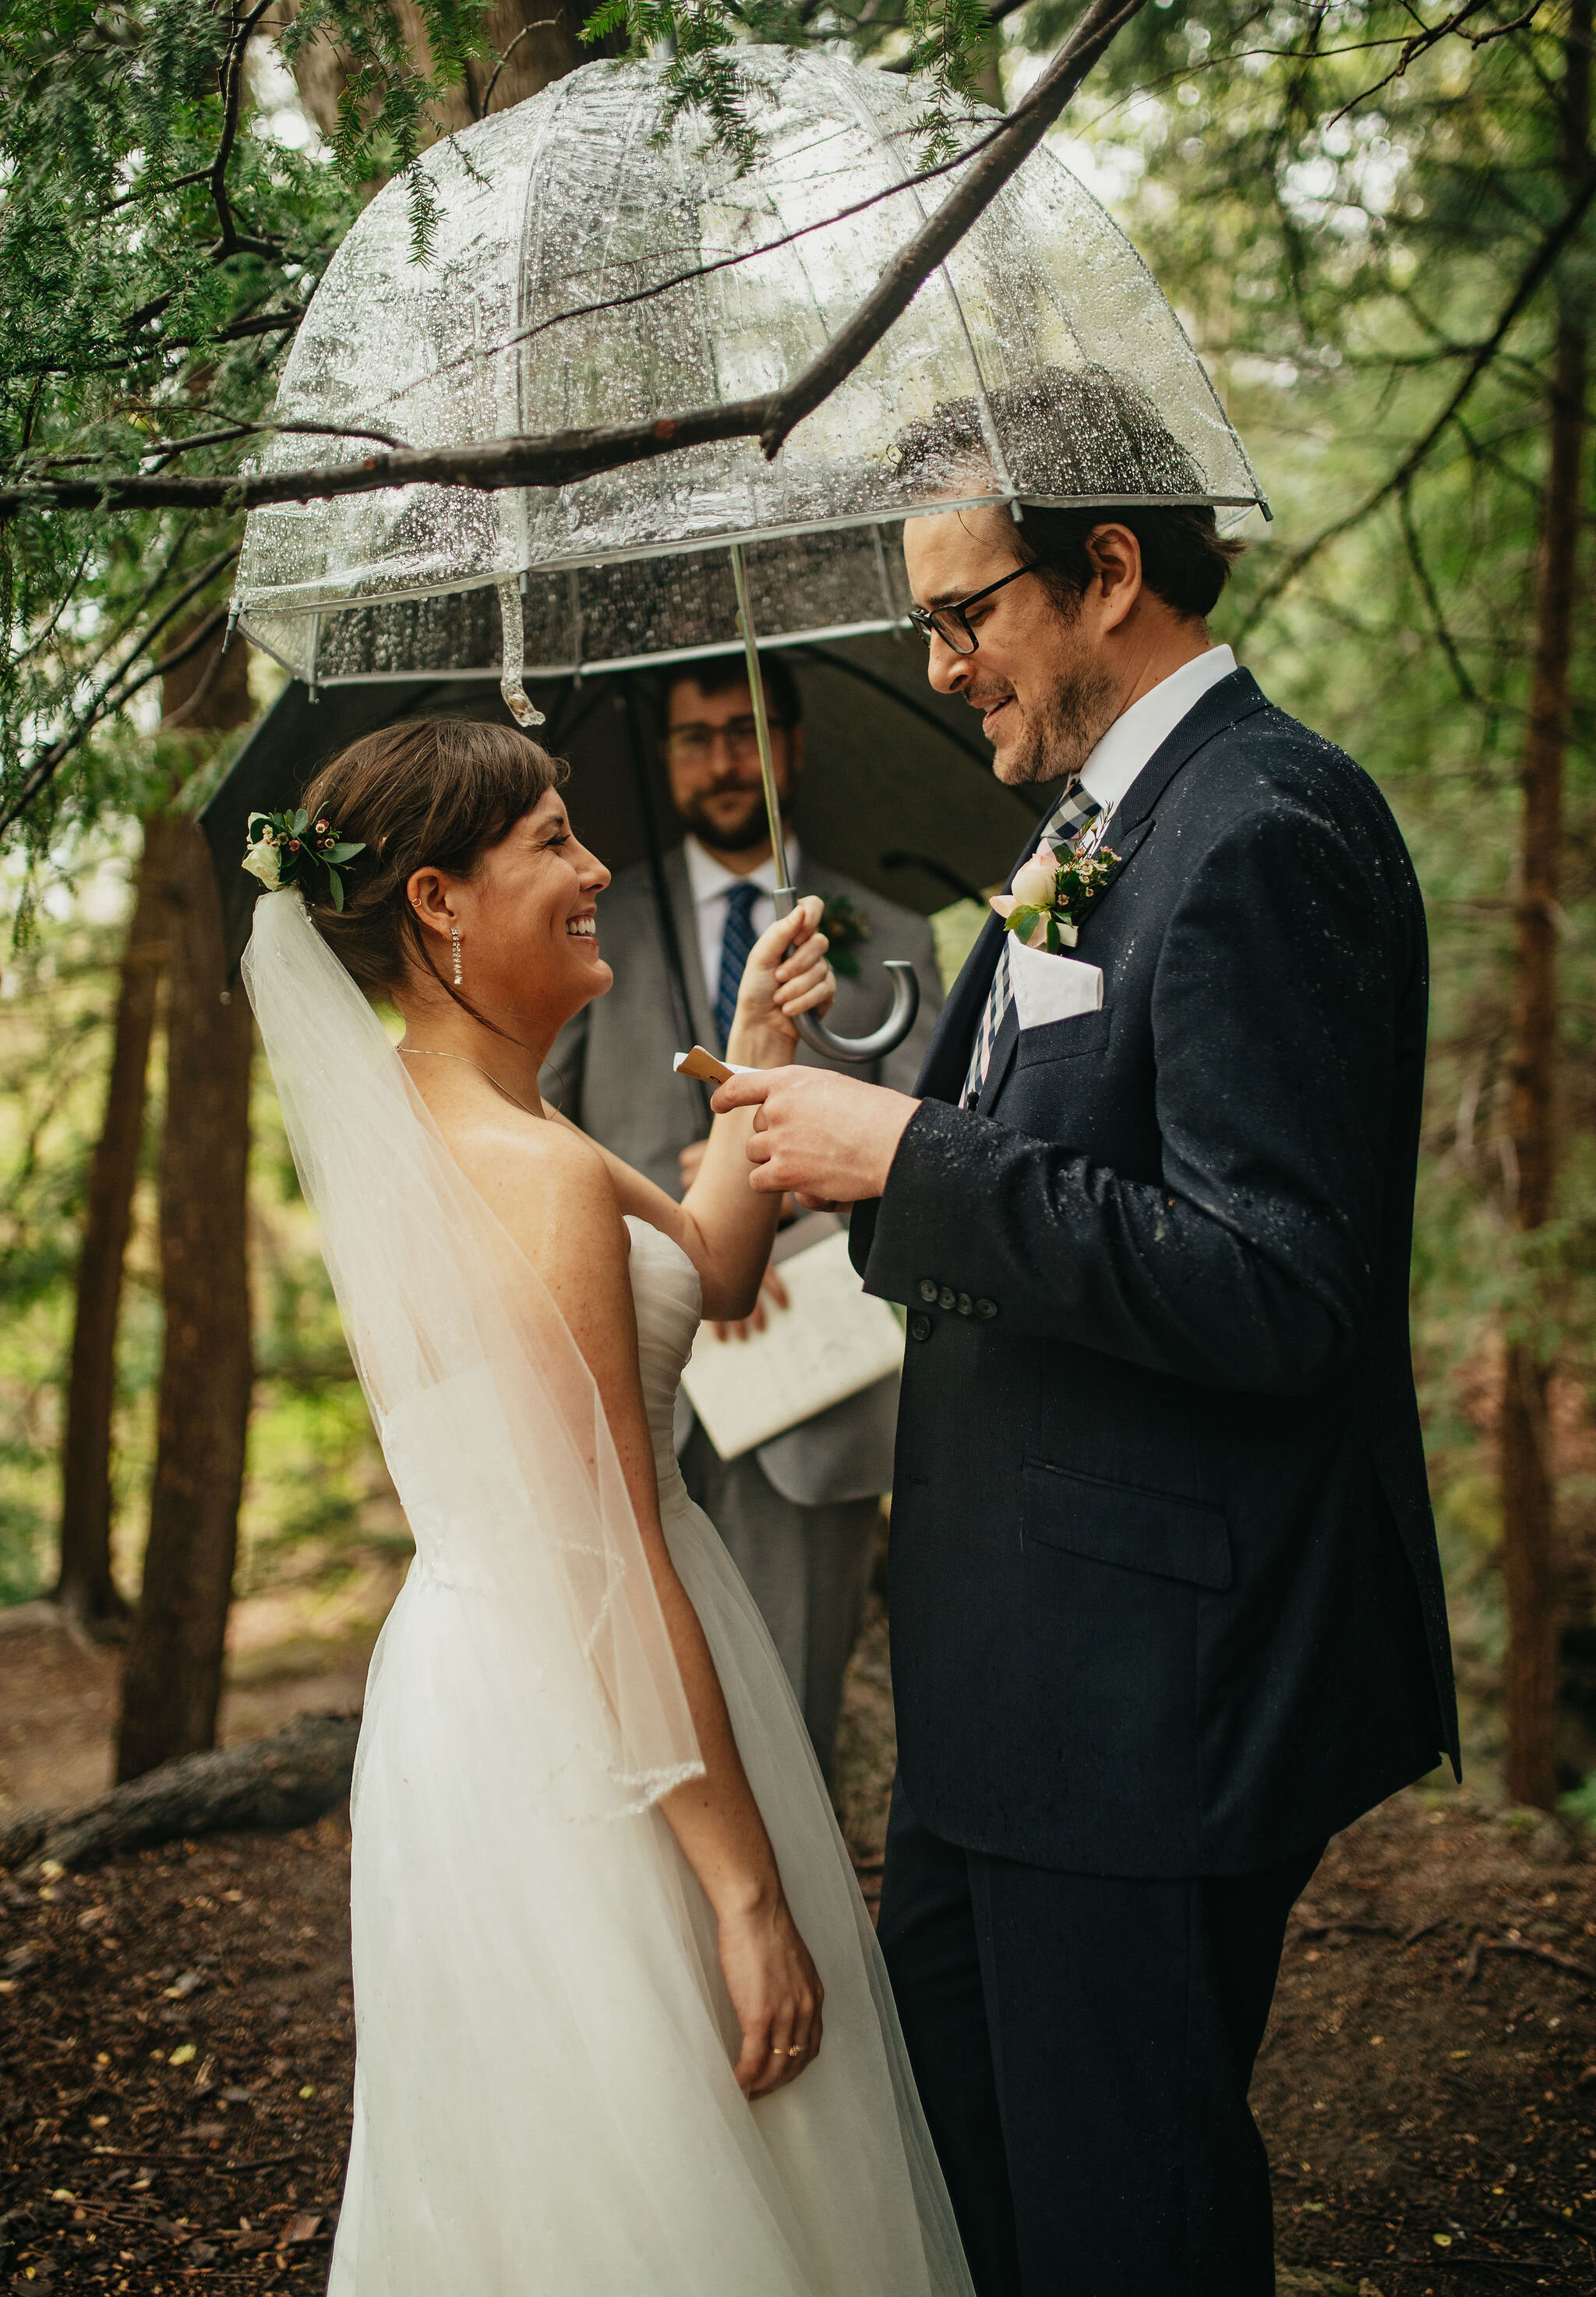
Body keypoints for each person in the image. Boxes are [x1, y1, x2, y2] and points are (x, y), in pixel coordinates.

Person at [711, 468, 1460, 2295]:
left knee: (1126, 2219)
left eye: (962, 615)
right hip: (1012, 1684)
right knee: (973, 2182)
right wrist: (861, 1145)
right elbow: (1021, 1183)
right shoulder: (1096, 830)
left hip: (1148, 1698)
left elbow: (1279, 1286)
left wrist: (912, 1157)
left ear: (1107, 571)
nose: (945, 665)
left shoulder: (1262, 827)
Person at [240, 719, 973, 2297]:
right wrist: (750, 1889)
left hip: (476, 1684)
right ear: (437, 901)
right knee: (688, 2116)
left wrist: (756, 1039)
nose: (593, 873)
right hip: (603, 1687)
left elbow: (710, 1268)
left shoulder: (449, 1122)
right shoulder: (539, 1171)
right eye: (554, 844)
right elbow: (616, 1547)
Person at [543, 651, 941, 1784]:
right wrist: (671, 1214)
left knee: (790, 1728)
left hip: (810, 1384)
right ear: (662, 757)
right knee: (647, 1732)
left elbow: (945, 1145)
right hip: (635, 1380)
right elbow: (538, 1122)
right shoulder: (586, 928)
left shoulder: (892, 933)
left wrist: (789, 1176)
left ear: (791, 747)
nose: (724, 759)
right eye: (694, 735)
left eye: (746, 731)